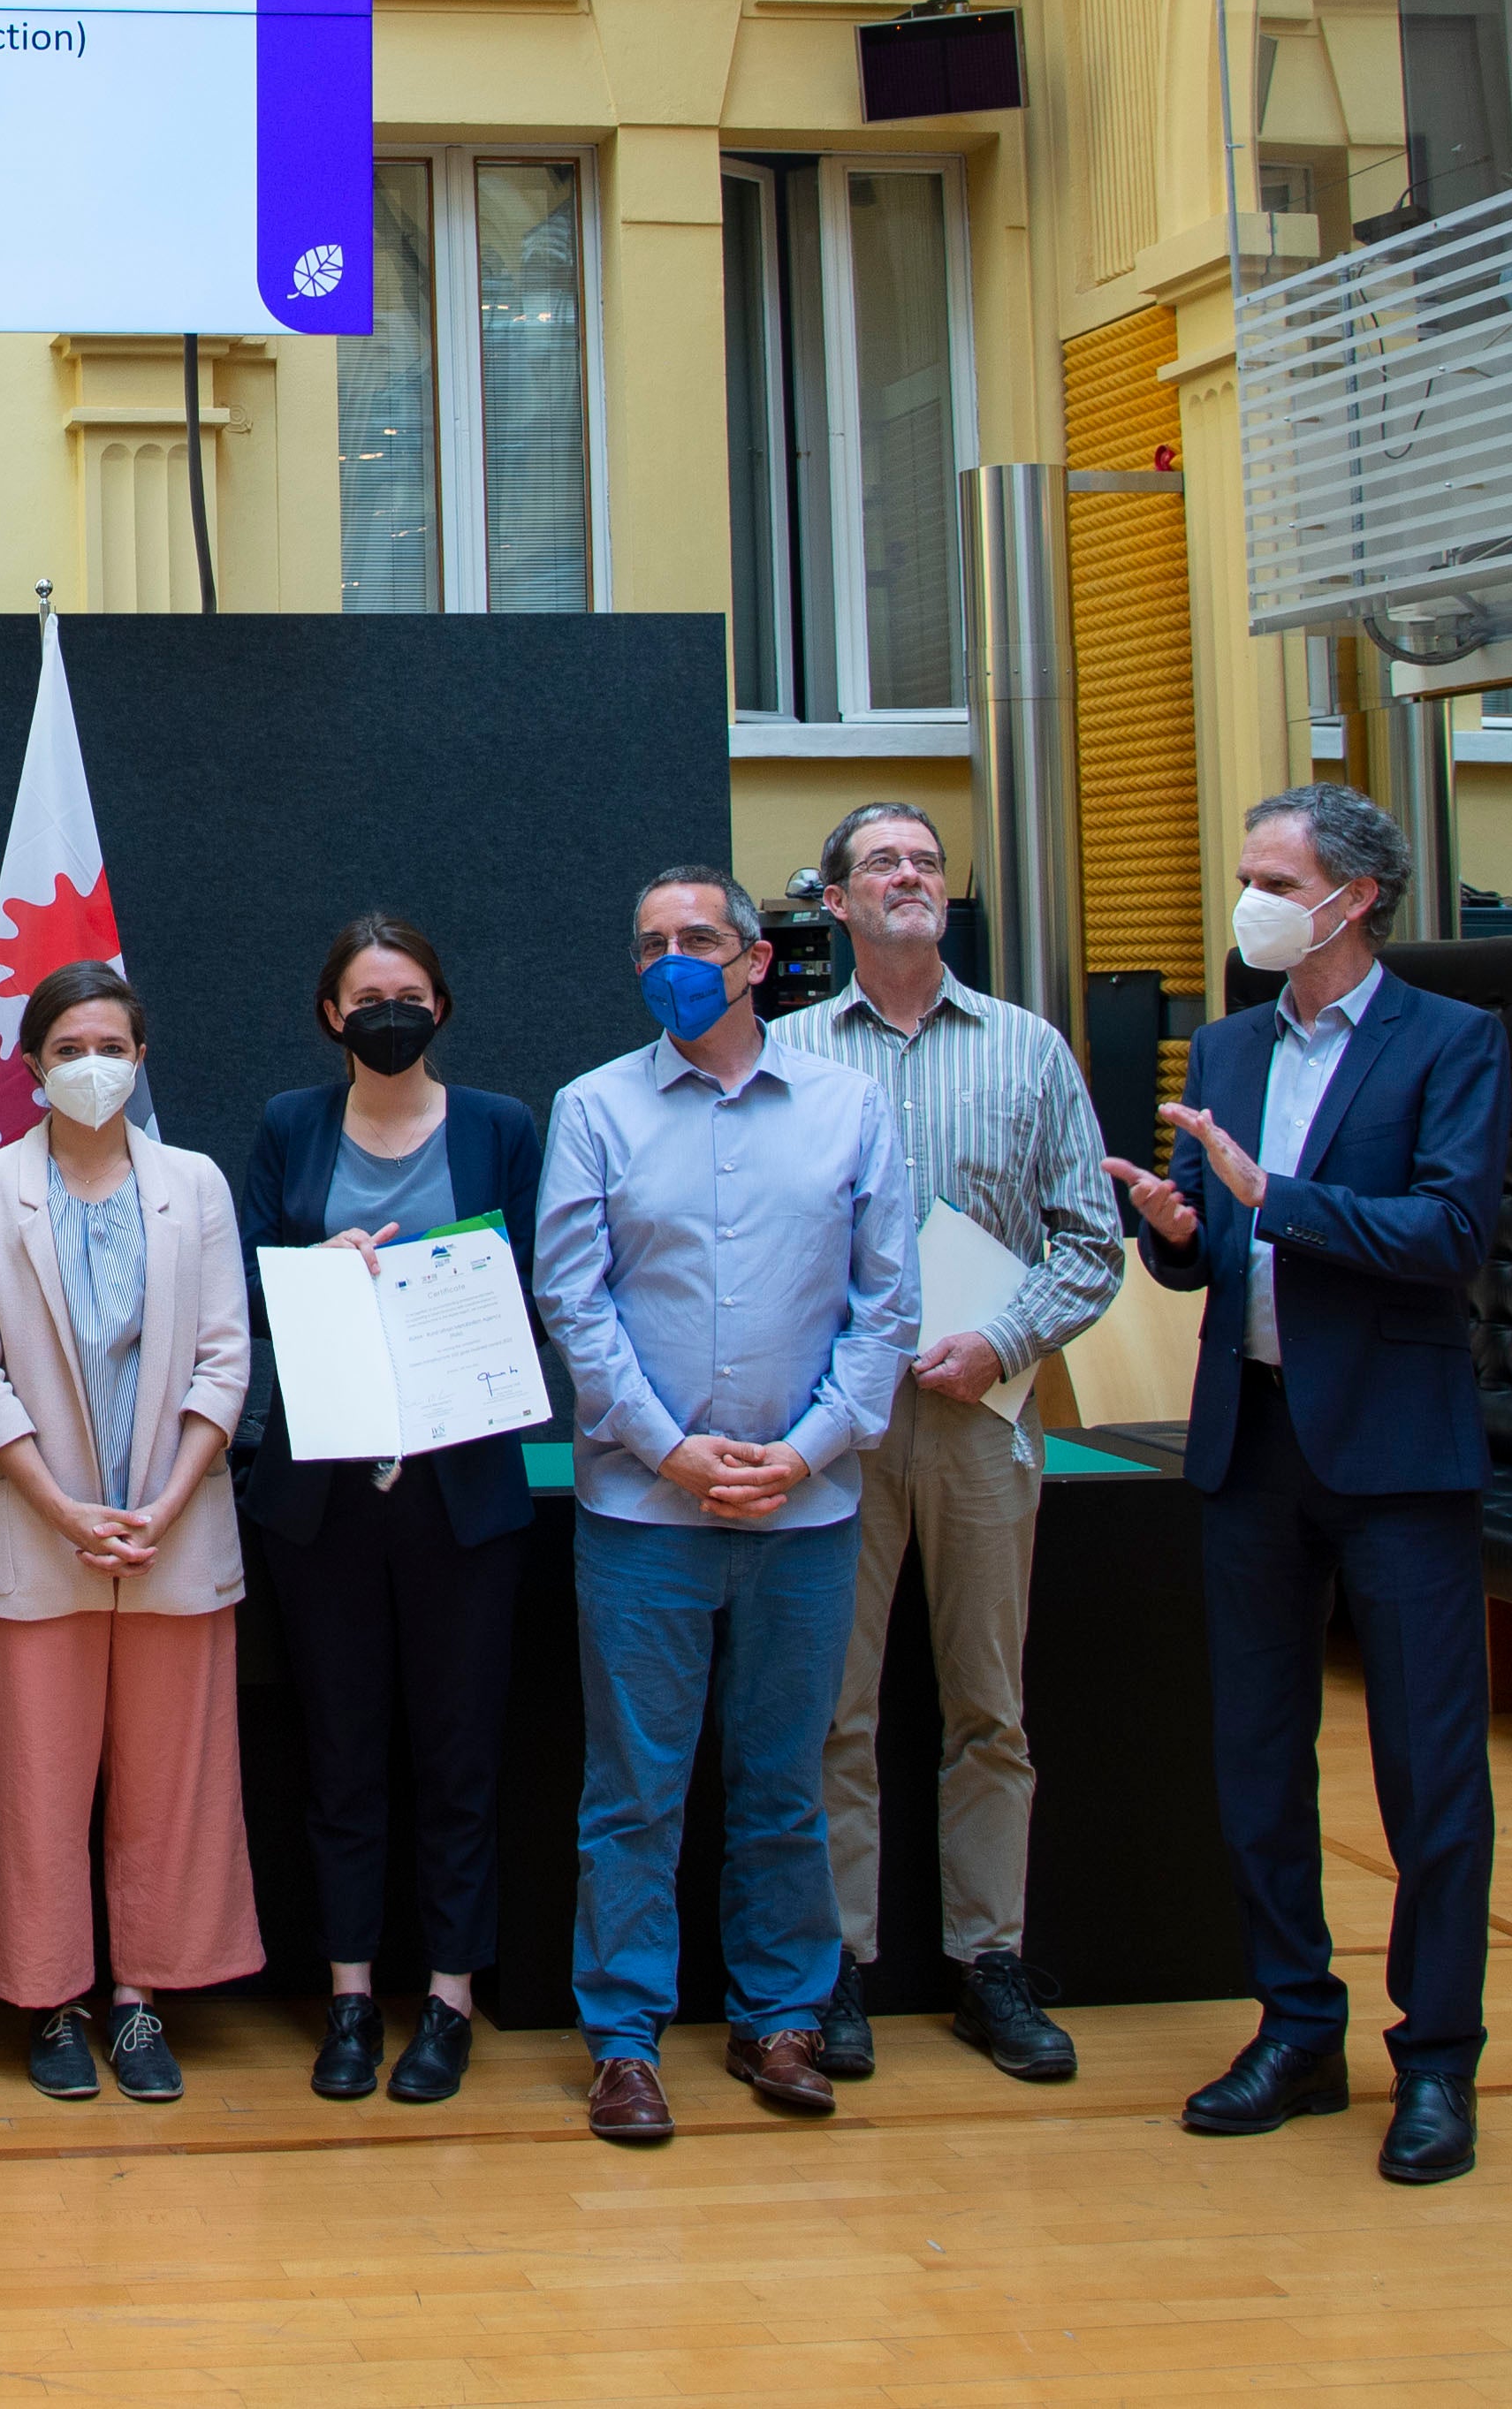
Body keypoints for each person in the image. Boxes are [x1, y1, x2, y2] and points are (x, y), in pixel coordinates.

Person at [1110, 782, 1512, 2187]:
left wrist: (1270, 1197)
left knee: (1427, 1773)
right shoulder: (1223, 1045)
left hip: (1397, 1451)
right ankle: (1295, 2024)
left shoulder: (1450, 1040)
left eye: (1272, 879)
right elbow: (1212, 1243)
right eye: (1246, 876)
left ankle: (1438, 2057)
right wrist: (1176, 1231)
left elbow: (1449, 1228)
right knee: (1259, 1760)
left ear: (1350, 898)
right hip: (1252, 1439)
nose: (1250, 901)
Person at [534, 867, 913, 2149]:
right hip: (644, 1511)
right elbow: (572, 1301)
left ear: (755, 959)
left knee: (781, 1782)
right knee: (633, 1790)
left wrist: (801, 1452)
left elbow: (885, 1306)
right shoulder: (592, 1106)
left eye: (696, 938)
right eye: (648, 943)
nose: (671, 960)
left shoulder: (850, 1106)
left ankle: (781, 2016)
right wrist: (672, 1448)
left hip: (804, 1513)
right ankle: (625, 2040)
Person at [774, 802, 1121, 2086]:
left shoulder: (1028, 1050)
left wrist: (1001, 1342)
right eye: (882, 862)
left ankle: (990, 1959)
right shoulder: (788, 1052)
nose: (909, 877)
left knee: (988, 1705)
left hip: (981, 1416)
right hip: (839, 1428)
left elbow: (1087, 1243)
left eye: (924, 861)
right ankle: (838, 1967)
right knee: (833, 1712)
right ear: (833, 897)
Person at [233, 912, 540, 2109]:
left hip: (461, 1492)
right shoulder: (287, 1124)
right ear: (330, 1013)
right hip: (320, 1499)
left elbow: (533, 1279)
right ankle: (352, 1994)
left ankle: (449, 1996)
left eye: (407, 990)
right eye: (366, 994)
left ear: (441, 1005)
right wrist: (327, 1266)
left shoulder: (501, 1125)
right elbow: (250, 1287)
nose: (387, 1010)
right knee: (341, 1760)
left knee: (459, 1762)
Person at [0, 961, 259, 2107]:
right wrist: (65, 1508)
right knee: (38, 1781)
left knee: (170, 1780)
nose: (90, 1064)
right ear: (30, 1062)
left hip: (172, 1528)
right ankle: (52, 1999)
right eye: (67, 1045)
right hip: (41, 1534)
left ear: (140, 1059)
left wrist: (164, 1501)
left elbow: (225, 1354)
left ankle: (138, 1998)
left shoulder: (197, 1184)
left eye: (110, 1045)